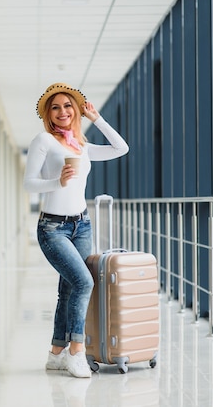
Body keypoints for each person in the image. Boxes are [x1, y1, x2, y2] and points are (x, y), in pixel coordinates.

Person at [23, 82, 129, 378]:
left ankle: (56, 353)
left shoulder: (81, 145)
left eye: (67, 106)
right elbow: (29, 183)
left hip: (81, 224)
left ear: (76, 110)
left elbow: (121, 148)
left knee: (68, 289)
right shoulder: (43, 140)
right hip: (53, 228)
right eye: (55, 107)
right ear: (48, 113)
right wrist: (58, 181)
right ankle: (77, 351)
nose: (62, 112)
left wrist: (97, 119)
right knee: (84, 283)